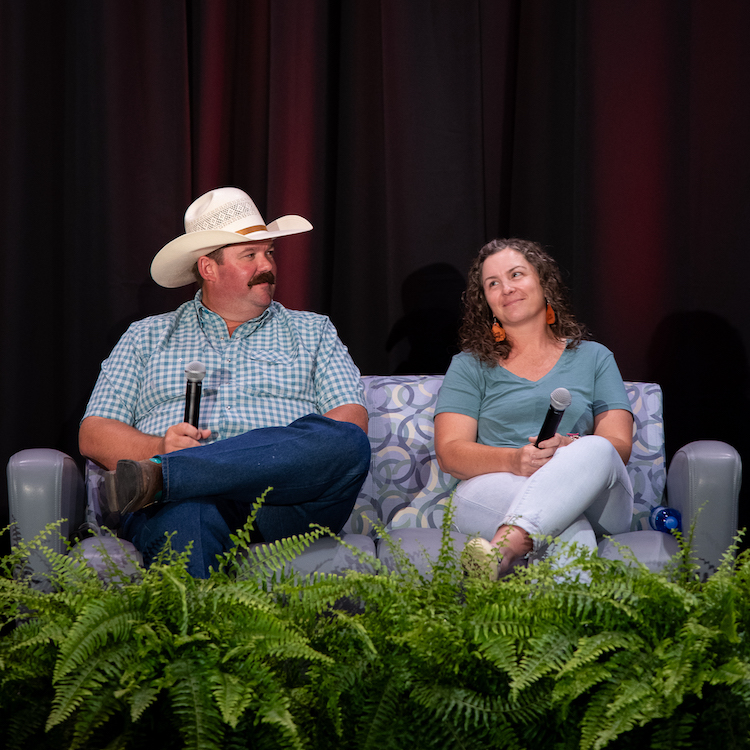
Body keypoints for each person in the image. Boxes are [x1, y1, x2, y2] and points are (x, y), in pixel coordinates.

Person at [79, 187, 371, 578]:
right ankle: (201, 636)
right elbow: (94, 431)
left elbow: (350, 421)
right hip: (187, 504)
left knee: (347, 440)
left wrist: (174, 466)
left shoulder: (313, 330)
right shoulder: (146, 336)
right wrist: (159, 446)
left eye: (269, 252)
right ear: (208, 268)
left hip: (284, 504)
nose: (266, 265)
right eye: (249, 256)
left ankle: (167, 474)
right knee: (190, 514)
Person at [434, 238, 634, 578]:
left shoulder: (594, 357)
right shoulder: (469, 366)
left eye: (516, 275)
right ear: (486, 302)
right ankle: (567, 628)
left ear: (544, 283)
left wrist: (570, 448)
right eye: (493, 283)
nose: (506, 288)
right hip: (494, 486)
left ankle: (504, 549)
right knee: (572, 528)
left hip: (596, 496)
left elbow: (619, 446)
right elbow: (451, 453)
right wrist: (515, 460)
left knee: (597, 447)